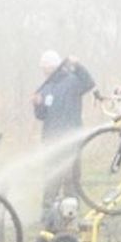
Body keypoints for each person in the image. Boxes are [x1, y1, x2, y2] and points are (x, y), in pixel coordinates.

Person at [32, 50, 95, 222]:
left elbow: (89, 83)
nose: (44, 71)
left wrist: (78, 65)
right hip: (51, 140)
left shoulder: (73, 81)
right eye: (42, 68)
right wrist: (38, 105)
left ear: (54, 66)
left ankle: (71, 214)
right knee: (51, 176)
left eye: (46, 68)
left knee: (71, 178)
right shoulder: (45, 87)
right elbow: (41, 115)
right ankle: (47, 214)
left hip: (71, 138)